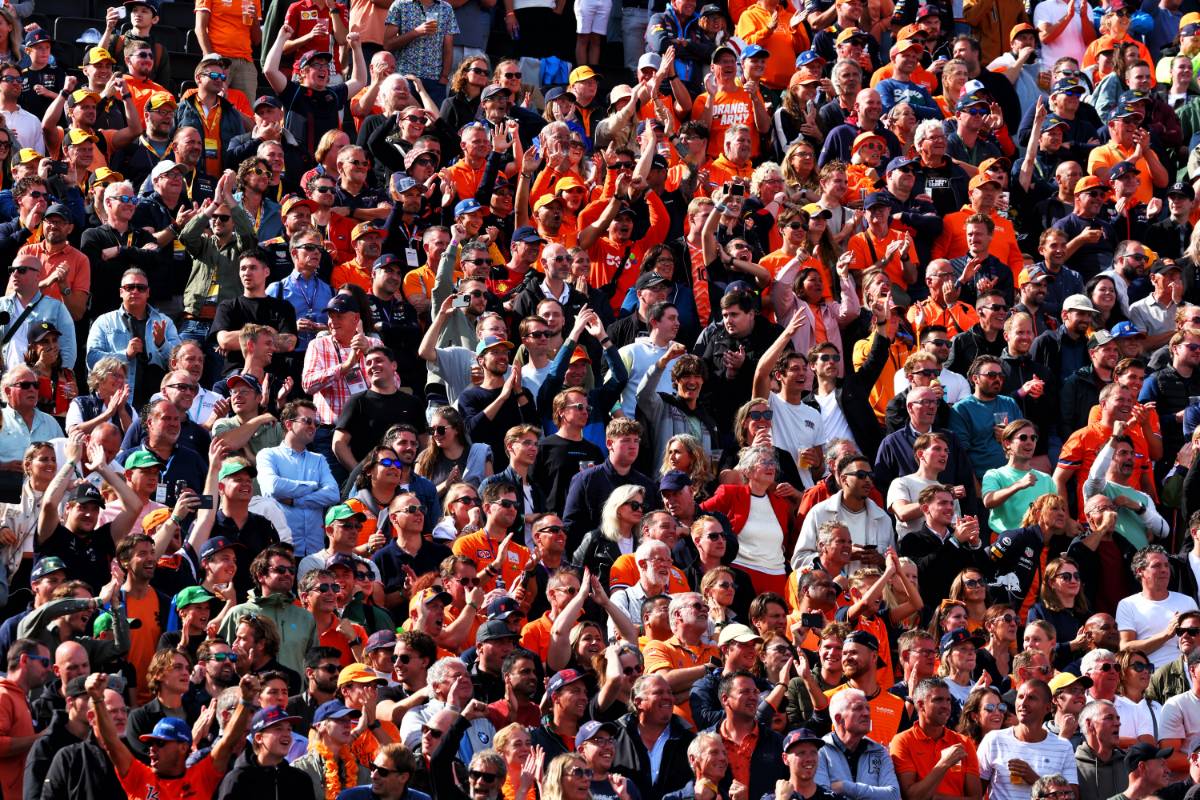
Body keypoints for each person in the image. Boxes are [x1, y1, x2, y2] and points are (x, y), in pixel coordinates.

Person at [978, 680, 1078, 800]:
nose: (1023, 703)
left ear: (1047, 707)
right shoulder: (994, 740)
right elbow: (975, 793)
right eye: (1020, 697)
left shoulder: (1063, 746)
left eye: (1031, 698)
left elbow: (1073, 797)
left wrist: (1036, 780)